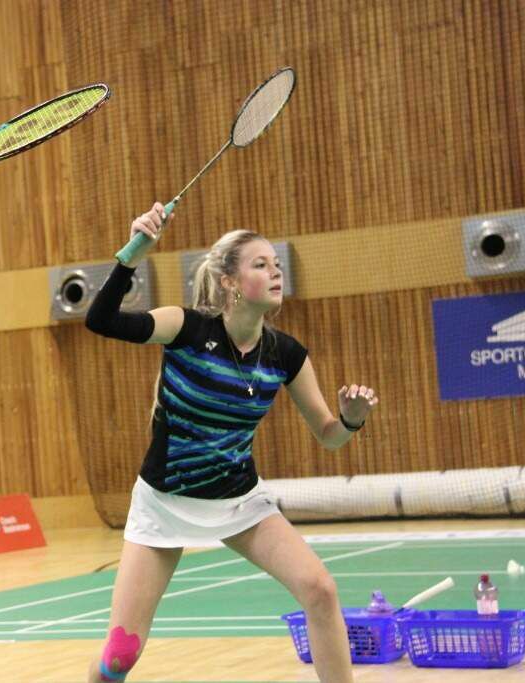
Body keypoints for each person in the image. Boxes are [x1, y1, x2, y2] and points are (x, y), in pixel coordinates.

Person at [84, 203, 378, 683]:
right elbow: (101, 321)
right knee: (119, 657)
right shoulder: (186, 328)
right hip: (163, 502)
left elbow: (330, 437)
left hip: (239, 501)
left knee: (320, 590)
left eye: (276, 264)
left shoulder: (285, 354)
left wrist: (351, 420)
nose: (276, 272)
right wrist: (133, 254)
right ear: (229, 283)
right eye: (260, 265)